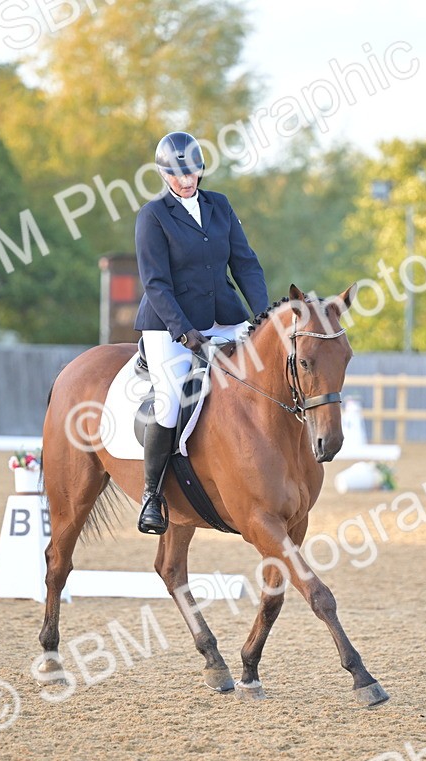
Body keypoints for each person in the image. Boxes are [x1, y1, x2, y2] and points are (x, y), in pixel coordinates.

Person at [132, 131, 269, 535]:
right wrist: (184, 332)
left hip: (224, 316)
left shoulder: (219, 206)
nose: (186, 180)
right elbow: (156, 283)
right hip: (169, 323)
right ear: (163, 174)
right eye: (176, 174)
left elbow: (245, 264)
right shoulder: (153, 215)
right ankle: (152, 496)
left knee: (267, 371)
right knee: (172, 398)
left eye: (191, 172)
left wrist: (264, 318)